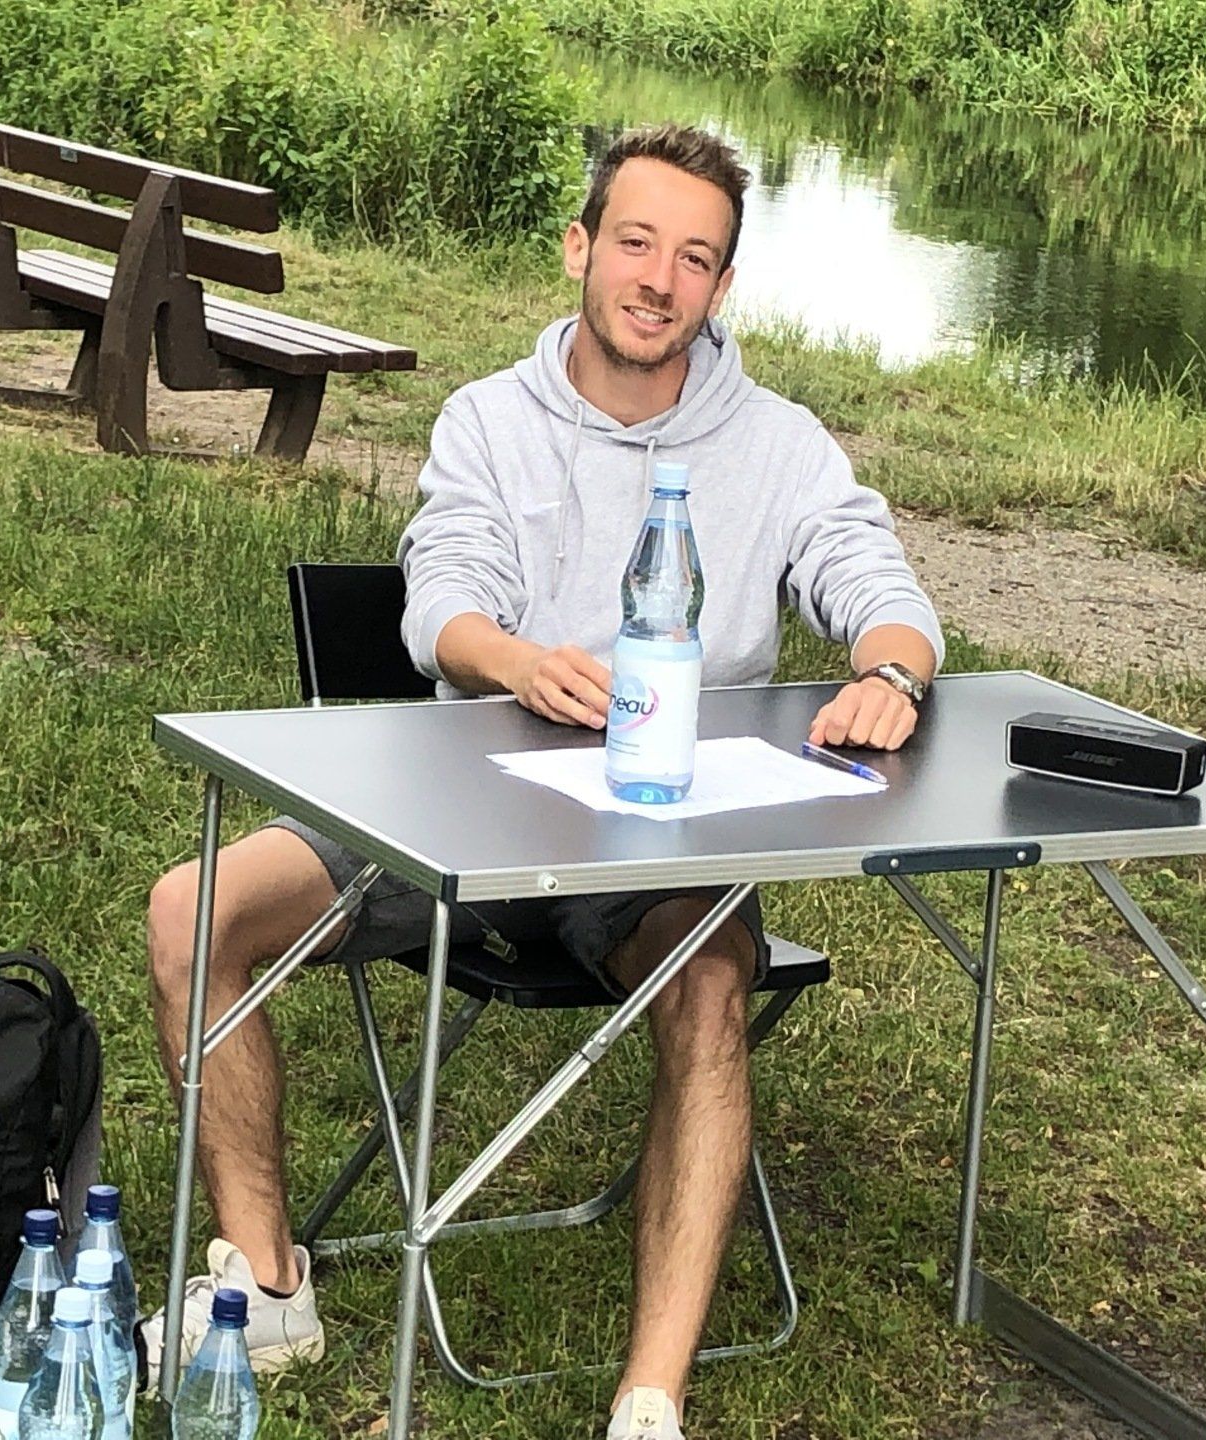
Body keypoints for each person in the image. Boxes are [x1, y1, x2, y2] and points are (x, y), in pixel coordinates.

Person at [145, 124, 945, 1440]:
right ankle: (268, 1283)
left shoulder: (780, 446)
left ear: (722, 286)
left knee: (709, 981)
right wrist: (514, 661)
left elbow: (880, 587)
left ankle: (649, 1403)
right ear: (580, 249)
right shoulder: (489, 420)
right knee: (194, 911)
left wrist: (893, 673)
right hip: (450, 813)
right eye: (636, 242)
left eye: (695, 258)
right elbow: (441, 598)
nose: (659, 280)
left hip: (654, 845)